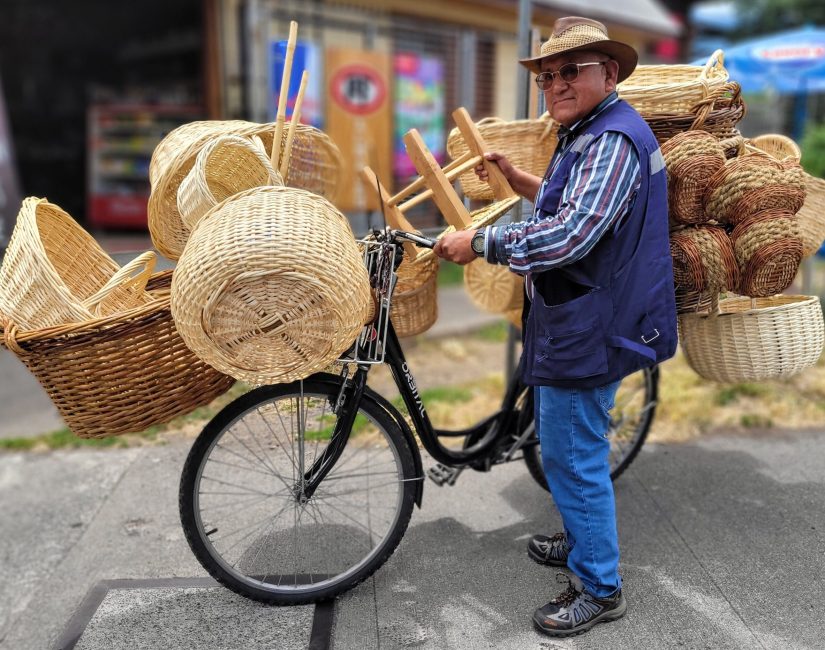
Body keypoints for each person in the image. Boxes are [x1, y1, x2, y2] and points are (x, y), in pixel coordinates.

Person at [433, 16, 677, 638]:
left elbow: (573, 233)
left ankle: (600, 585)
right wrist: (522, 183)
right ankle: (580, 541)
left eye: (573, 70)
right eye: (548, 75)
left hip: (592, 321)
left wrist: (480, 241)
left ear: (609, 73)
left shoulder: (612, 140)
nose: (557, 84)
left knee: (573, 456)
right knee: (566, 446)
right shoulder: (591, 132)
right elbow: (582, 205)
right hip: (580, 313)